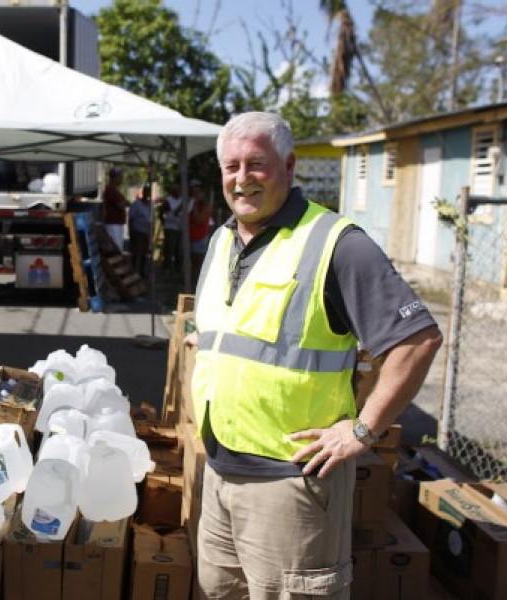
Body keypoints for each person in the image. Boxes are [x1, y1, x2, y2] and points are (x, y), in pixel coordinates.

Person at [188, 111, 442, 599]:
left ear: (289, 165)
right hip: (221, 475)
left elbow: (418, 340)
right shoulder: (222, 240)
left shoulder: (336, 244)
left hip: (290, 486)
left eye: (256, 164)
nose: (242, 179)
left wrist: (364, 430)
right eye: (231, 167)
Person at [187, 178, 211, 290]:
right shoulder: (190, 204)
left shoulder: (205, 206)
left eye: (198, 193)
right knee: (192, 264)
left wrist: (195, 206)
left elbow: (199, 220)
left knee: (199, 264)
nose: (195, 195)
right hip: (191, 237)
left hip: (200, 238)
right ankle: (192, 284)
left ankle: (197, 286)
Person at [160, 182, 186, 276]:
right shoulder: (168, 200)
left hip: (180, 227)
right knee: (170, 248)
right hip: (171, 227)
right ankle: (167, 267)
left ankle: (177, 268)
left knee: (179, 249)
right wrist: (165, 223)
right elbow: (162, 212)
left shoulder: (183, 200)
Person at [128, 182, 153, 276]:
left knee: (144, 252)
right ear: (143, 192)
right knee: (136, 252)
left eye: (149, 192)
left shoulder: (150, 205)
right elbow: (131, 218)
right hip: (137, 231)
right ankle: (133, 270)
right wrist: (131, 232)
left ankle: (142, 271)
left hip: (146, 232)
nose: (147, 194)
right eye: (146, 192)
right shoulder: (136, 204)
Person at [102, 167, 128, 252]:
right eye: (120, 177)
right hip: (113, 224)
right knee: (116, 248)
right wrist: (124, 202)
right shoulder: (110, 190)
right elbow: (121, 204)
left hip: (117, 223)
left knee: (118, 247)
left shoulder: (115, 190)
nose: (121, 179)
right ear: (114, 178)